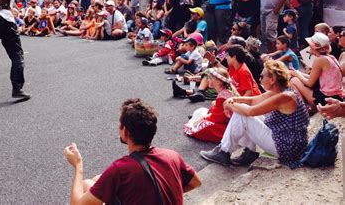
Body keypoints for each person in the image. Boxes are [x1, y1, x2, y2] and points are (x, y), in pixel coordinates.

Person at [63, 98, 201, 205]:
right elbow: (196, 182)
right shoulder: (172, 156)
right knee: (95, 181)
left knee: (86, 184)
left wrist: (78, 166)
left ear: (125, 131)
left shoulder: (120, 169)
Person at [200, 60, 309, 169]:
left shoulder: (285, 97)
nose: (260, 78)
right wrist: (234, 99)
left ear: (272, 80)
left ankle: (224, 151)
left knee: (242, 114)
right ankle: (248, 152)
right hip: (288, 142)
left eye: (262, 76)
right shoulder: (281, 91)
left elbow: (250, 111)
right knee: (243, 111)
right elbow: (253, 100)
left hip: (287, 148)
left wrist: (230, 104)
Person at [290, 32, 344, 108]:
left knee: (294, 80)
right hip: (335, 95)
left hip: (325, 99)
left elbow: (309, 83)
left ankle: (303, 110)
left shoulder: (320, 60)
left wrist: (297, 74)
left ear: (314, 47)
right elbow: (313, 78)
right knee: (296, 77)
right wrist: (297, 72)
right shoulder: (331, 57)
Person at [183, 68, 234, 143]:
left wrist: (204, 118)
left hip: (226, 126)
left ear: (218, 82)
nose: (208, 80)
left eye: (210, 78)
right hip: (224, 121)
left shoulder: (222, 96)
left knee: (204, 125)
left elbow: (217, 118)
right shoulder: (223, 92)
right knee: (201, 111)